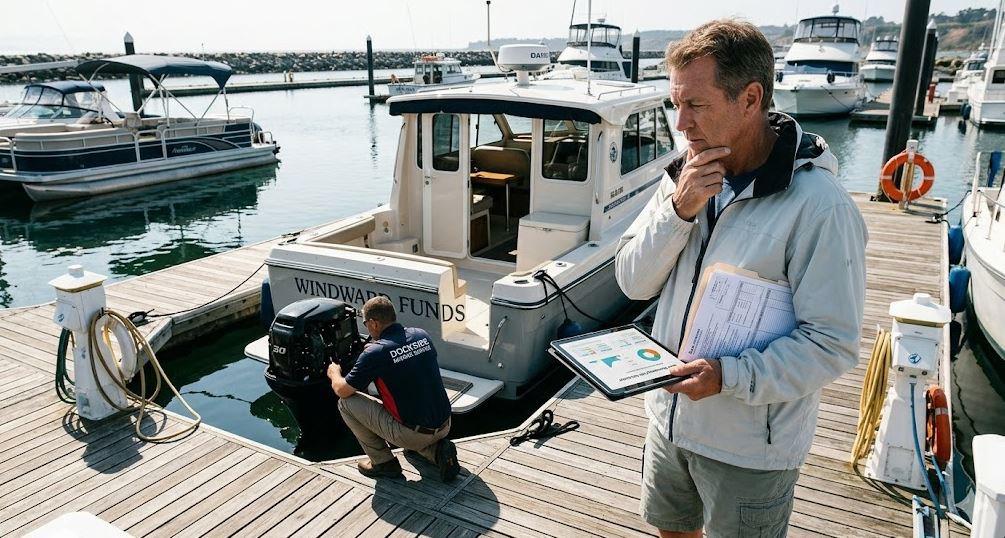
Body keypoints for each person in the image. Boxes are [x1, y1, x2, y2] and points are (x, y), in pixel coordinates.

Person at [615, 19, 867, 538]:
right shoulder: (683, 177)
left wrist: (730, 377)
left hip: (750, 448)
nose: (681, 124)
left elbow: (832, 345)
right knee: (671, 531)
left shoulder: (820, 208)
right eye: (676, 103)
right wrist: (679, 211)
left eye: (697, 105)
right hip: (668, 418)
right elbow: (633, 282)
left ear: (750, 99)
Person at [327, 296, 459, 481]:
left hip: (413, 434)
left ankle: (383, 463)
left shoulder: (375, 352)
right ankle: (436, 452)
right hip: (445, 424)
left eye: (365, 323)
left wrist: (335, 373)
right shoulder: (421, 335)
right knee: (409, 410)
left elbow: (343, 390)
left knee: (345, 404)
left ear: (373, 323)